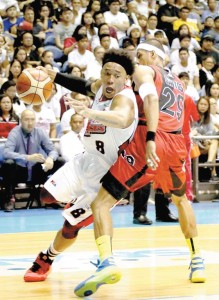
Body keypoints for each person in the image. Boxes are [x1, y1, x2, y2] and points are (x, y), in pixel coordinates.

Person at [73, 39, 205, 297]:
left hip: (150, 140)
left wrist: (152, 139)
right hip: (177, 144)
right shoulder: (179, 84)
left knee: (100, 203)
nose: (136, 59)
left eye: (140, 54)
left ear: (155, 57)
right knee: (181, 201)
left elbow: (151, 101)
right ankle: (197, 260)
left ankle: (106, 261)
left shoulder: (145, 71)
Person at [23, 48, 138, 282]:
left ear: (126, 79)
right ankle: (77, 206)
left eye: (117, 75)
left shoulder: (125, 98)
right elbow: (84, 85)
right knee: (45, 195)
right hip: (86, 160)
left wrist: (90, 111)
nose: (111, 79)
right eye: (107, 73)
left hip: (107, 176)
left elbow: (122, 118)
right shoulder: (100, 87)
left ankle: (46, 258)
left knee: (69, 227)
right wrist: (54, 75)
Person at [2, 109, 62, 212]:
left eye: (32, 119)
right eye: (26, 120)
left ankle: (53, 195)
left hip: (36, 171)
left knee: (60, 161)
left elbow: (52, 150)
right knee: (8, 163)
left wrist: (50, 158)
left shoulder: (40, 132)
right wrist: (27, 157)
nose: (30, 123)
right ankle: (9, 198)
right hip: (19, 171)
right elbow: (6, 152)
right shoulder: (15, 132)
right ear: (21, 121)